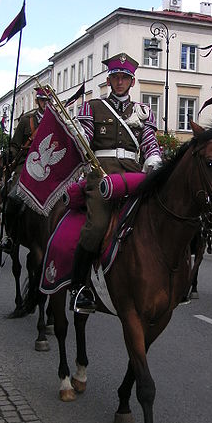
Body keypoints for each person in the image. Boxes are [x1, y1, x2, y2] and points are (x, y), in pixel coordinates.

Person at [69, 52, 162, 312]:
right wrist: (81, 141)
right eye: (115, 77)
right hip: (101, 174)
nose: (119, 82)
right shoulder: (93, 106)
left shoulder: (143, 111)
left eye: (124, 78)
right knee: (97, 225)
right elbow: (86, 136)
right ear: (109, 81)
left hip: (133, 172)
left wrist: (154, 159)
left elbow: (149, 142)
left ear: (132, 82)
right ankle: (79, 288)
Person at [0, 87, 50, 252]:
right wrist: (10, 154)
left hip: (49, 167)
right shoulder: (26, 120)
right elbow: (15, 144)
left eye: (48, 100)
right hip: (26, 166)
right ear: (38, 101)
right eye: (43, 100)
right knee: (13, 197)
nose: (46, 104)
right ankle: (10, 235)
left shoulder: (56, 121)